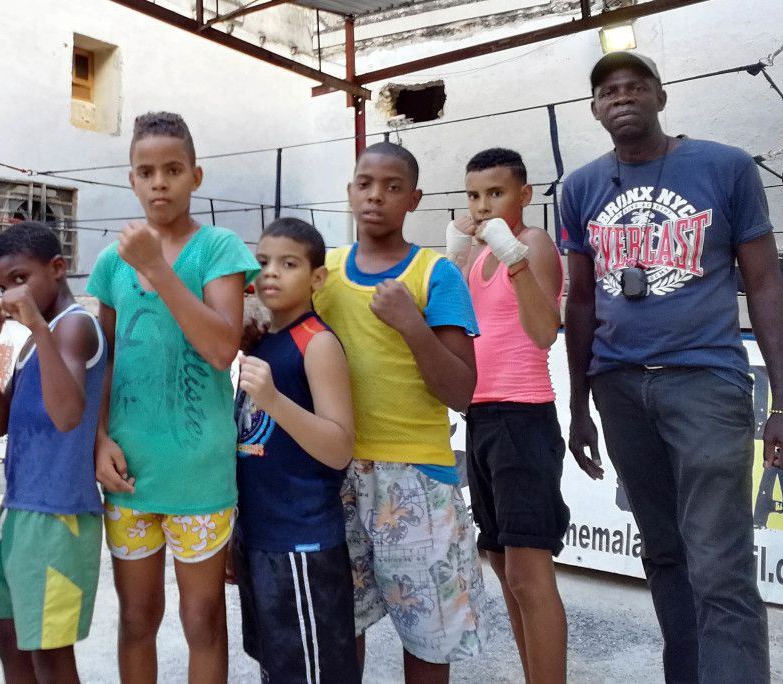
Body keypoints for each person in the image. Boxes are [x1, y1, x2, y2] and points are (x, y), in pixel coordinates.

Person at [562, 51, 783, 684]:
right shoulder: (581, 187)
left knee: (718, 564)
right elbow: (582, 299)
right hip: (619, 389)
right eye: (608, 90)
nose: (622, 97)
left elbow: (766, 286)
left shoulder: (724, 167)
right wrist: (580, 404)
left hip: (705, 384)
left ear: (660, 98)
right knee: (665, 556)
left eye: (635, 86)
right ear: (595, 109)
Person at [86, 111, 260, 683]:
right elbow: (103, 358)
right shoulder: (113, 262)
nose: (159, 182)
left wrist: (158, 269)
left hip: (199, 471)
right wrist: (98, 437)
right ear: (131, 180)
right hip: (129, 471)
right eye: (146, 171)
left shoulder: (218, 248)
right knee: (137, 618)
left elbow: (220, 348)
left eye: (173, 169)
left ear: (196, 177)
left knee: (202, 618)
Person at [313, 141, 488, 684]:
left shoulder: (436, 274)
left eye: (392, 187)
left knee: (430, 639)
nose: (376, 196)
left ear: (413, 199)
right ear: (350, 192)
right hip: (333, 474)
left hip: (415, 480)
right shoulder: (324, 274)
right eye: (365, 184)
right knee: (341, 630)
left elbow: (461, 390)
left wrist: (411, 323)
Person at [445, 148, 569, 683]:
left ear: (524, 194)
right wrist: (451, 260)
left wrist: (515, 258)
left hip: (523, 415)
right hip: (482, 416)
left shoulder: (534, 244)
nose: (483, 205)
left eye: (495, 193)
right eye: (474, 195)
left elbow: (544, 330)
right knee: (503, 567)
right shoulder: (478, 257)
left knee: (528, 573)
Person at [0, 222, 105, 684]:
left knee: (50, 653)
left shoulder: (73, 328)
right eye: (0, 286)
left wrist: (35, 327)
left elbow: (68, 414)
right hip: (21, 508)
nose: (10, 294)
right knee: (8, 636)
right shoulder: (41, 335)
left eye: (19, 279)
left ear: (56, 268)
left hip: (58, 517)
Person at [230, 218, 357, 683]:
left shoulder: (317, 342)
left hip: (302, 542)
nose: (271, 273)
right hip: (259, 538)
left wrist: (275, 401)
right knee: (277, 668)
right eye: (262, 262)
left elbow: (340, 447)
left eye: (288, 263)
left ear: (317, 277)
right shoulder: (263, 343)